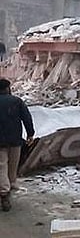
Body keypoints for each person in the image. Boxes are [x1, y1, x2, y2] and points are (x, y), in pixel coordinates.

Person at [0, 78, 34, 212]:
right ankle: (9, 186)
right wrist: (30, 134)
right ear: (7, 88)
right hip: (15, 140)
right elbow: (27, 118)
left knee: (1, 166)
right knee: (13, 166)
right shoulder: (17, 101)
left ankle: (4, 191)